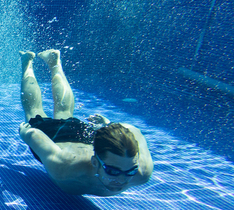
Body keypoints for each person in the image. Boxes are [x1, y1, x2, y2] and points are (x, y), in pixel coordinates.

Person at [18, 49, 153, 196]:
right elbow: (33, 134)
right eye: (113, 171)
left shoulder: (142, 172)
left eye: (131, 171)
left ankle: (55, 63)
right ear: (95, 162)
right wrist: (26, 132)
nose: (123, 180)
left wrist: (110, 129)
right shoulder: (65, 168)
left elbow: (133, 131)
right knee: (34, 110)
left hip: (86, 136)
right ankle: (28, 63)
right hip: (55, 139)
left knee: (64, 112)